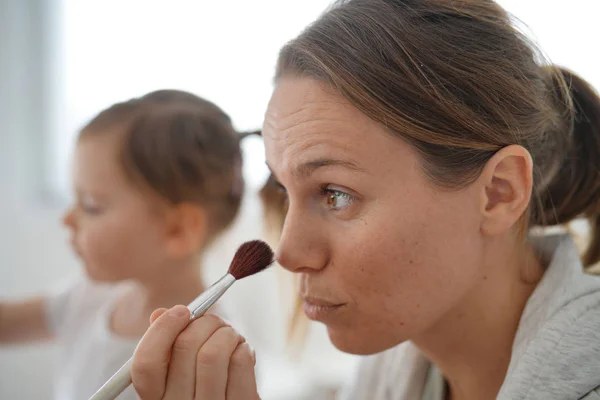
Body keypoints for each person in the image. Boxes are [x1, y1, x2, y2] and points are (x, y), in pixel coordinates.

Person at [129, 1, 600, 399]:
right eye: (282, 189)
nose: (289, 255)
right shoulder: (391, 371)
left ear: (499, 193)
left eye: (335, 194)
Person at [0, 89, 246, 400]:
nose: (67, 219)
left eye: (91, 205)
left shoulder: (214, 355)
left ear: (176, 230)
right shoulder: (88, 297)